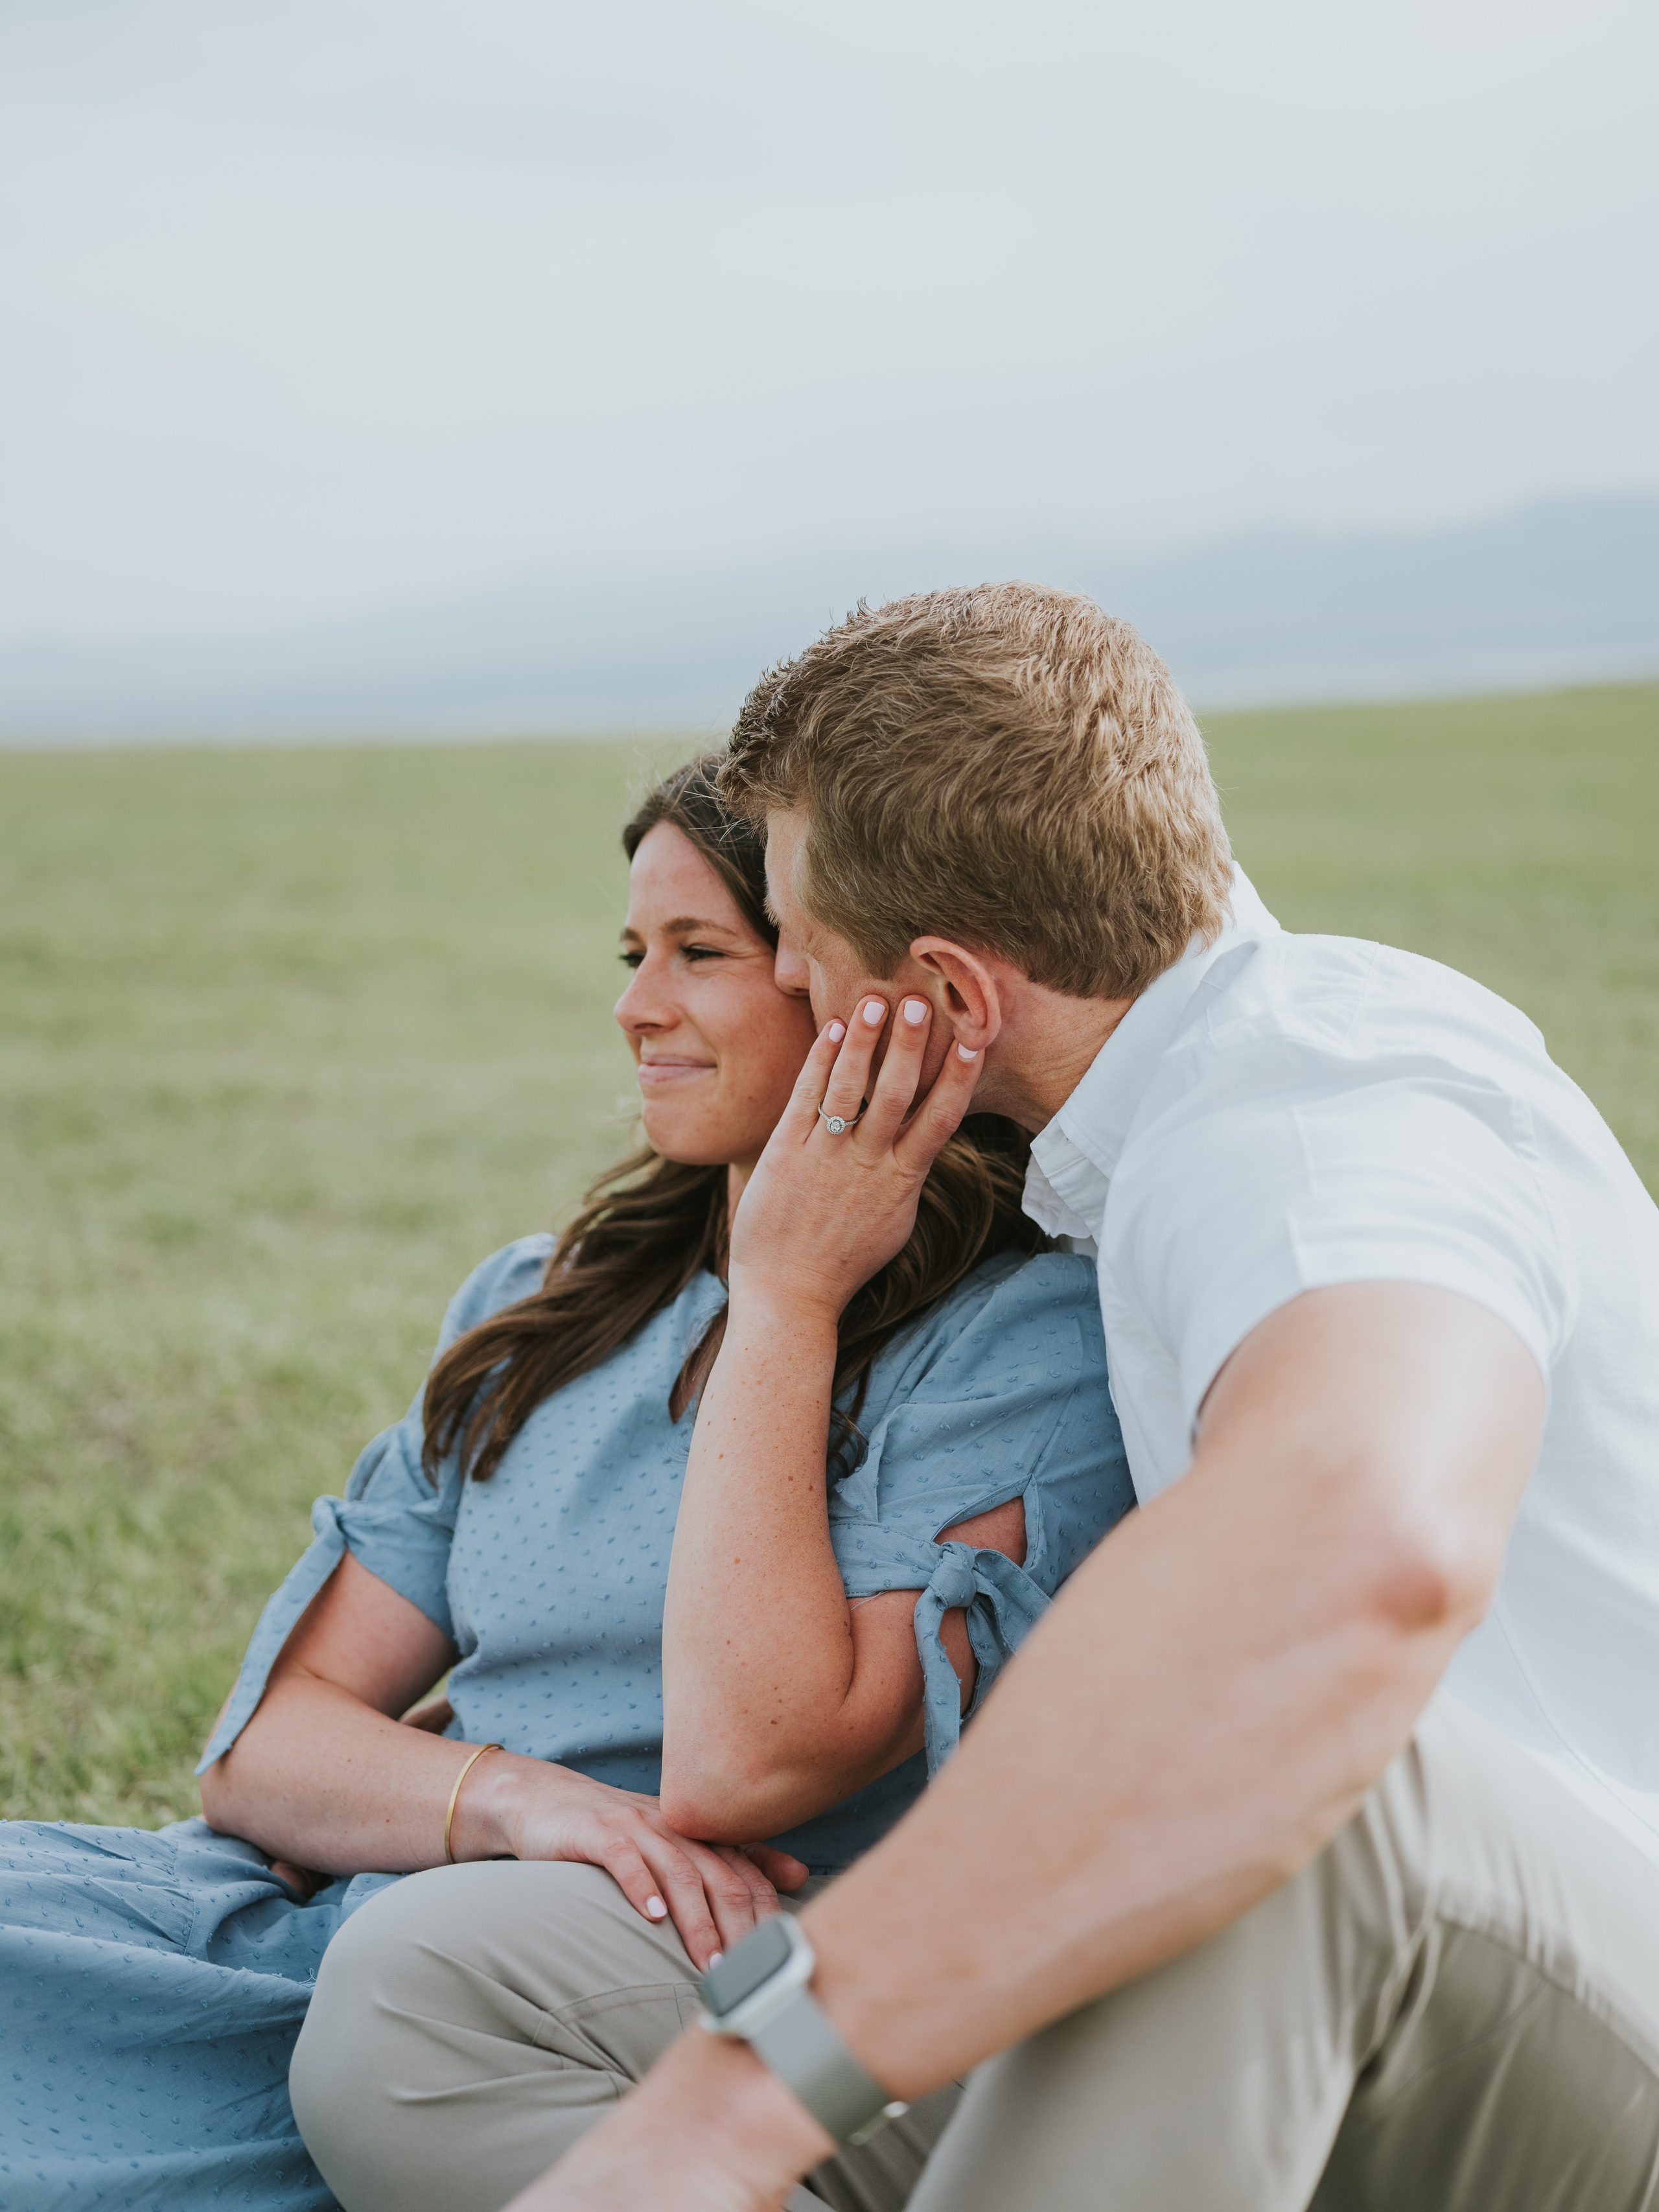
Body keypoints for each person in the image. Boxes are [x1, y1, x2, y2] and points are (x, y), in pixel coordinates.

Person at [303, 586, 1659, 2212]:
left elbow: (1356, 1563)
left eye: (790, 933)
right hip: (1284, 1971)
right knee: (442, 1985)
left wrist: (735, 2112)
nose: (786, 971)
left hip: (1551, 2010)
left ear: (942, 995)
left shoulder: (1312, 1116)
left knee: (1294, 1778)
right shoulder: (1144, 1137)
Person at [0, 755, 1133, 2212]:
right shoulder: (544, 1302)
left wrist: (784, 1295)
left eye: (699, 954)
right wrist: (524, 1801)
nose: (635, 1005)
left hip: (620, 2006)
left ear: (850, 989)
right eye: (630, 955)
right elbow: (267, 1749)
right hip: (355, 1917)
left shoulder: (1012, 1344)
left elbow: (768, 1759)